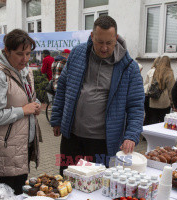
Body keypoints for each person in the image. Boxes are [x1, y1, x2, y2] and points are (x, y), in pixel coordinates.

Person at [50, 15, 144, 173]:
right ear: (92, 36)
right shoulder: (78, 54)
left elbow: (136, 105)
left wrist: (131, 135)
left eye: (109, 43)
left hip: (103, 142)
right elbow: (63, 87)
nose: (104, 48)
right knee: (67, 181)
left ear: (117, 38)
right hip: (72, 138)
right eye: (100, 42)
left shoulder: (129, 67)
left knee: (97, 187)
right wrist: (57, 118)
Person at [0, 29, 42, 194]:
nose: (25, 59)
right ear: (7, 51)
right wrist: (23, 110)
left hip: (19, 149)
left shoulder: (22, 71)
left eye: (28, 53)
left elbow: (26, 99)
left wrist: (36, 104)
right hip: (5, 153)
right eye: (20, 54)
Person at [146, 56, 175, 124]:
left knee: (153, 120)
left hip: (153, 99)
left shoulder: (156, 71)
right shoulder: (169, 72)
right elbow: (171, 88)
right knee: (163, 122)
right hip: (164, 102)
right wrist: (172, 102)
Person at [143, 56, 160, 125]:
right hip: (154, 96)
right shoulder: (160, 72)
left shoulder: (150, 71)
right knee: (154, 116)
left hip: (147, 95)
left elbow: (145, 84)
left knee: (148, 115)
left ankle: (144, 133)